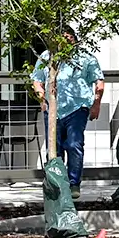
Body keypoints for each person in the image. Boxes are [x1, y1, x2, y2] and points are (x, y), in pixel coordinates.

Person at [31, 26, 104, 192]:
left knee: (73, 143)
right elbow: (37, 80)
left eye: (69, 38)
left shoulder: (85, 57)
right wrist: (42, 98)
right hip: (52, 109)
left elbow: (99, 82)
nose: (66, 41)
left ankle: (73, 183)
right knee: (54, 147)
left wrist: (96, 104)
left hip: (77, 108)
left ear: (75, 39)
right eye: (62, 38)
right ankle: (58, 183)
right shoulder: (47, 57)